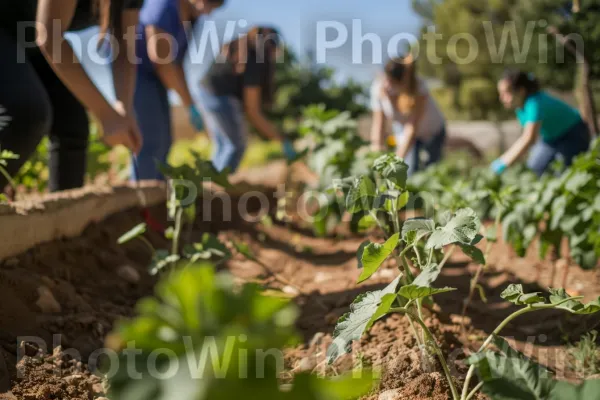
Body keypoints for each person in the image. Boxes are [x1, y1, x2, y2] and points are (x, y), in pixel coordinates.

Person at [0, 0, 143, 196]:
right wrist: (105, 114)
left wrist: (123, 109)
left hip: (24, 37)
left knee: (72, 123)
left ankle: (61, 223)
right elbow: (50, 35)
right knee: (26, 114)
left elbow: (124, 48)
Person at [131, 0, 225, 181]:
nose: (209, 11)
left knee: (165, 142)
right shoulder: (164, 5)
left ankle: (156, 198)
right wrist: (187, 102)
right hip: (134, 70)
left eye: (214, 8)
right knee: (149, 141)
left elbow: (177, 65)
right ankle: (140, 200)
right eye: (209, 3)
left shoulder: (191, 20)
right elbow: (161, 58)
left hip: (155, 74)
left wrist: (190, 104)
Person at [196, 26, 296, 172]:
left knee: (224, 145)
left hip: (205, 93)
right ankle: (217, 188)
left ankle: (207, 186)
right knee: (235, 146)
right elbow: (253, 112)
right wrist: (281, 139)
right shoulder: (255, 61)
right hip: (219, 97)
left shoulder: (242, 49)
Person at [493, 69, 591, 176]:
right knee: (534, 168)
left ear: (521, 91)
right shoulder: (520, 107)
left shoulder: (534, 103)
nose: (501, 98)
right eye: (500, 93)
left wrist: (503, 162)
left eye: (506, 93)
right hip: (551, 139)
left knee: (563, 172)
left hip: (573, 133)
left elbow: (529, 139)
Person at [370, 54, 447, 176]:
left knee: (429, 171)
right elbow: (378, 124)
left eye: (392, 82)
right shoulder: (378, 88)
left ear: (403, 81)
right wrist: (376, 151)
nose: (388, 85)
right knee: (408, 171)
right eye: (387, 79)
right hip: (406, 133)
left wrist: (395, 161)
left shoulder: (419, 88)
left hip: (433, 132)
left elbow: (411, 128)